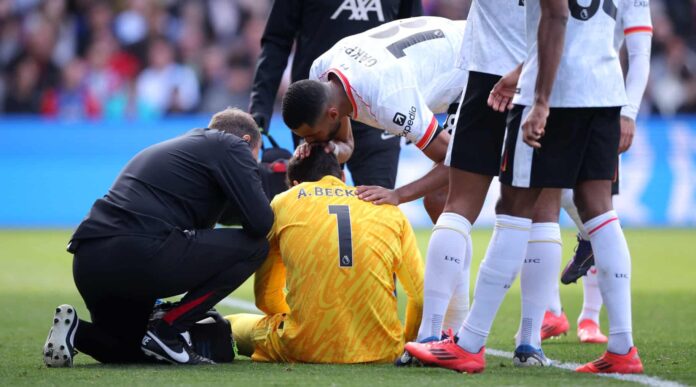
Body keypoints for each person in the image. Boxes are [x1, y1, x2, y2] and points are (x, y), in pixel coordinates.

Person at [406, 0, 644, 374]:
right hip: (605, 87)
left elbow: (556, 16)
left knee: (512, 207)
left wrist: (539, 97)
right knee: (594, 207)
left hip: (548, 85)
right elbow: (629, 32)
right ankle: (618, 346)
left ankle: (466, 342)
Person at [43, 108, 273, 367]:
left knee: (128, 348)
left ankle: (76, 331)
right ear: (245, 141)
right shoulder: (231, 145)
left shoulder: (185, 150)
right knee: (255, 247)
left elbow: (234, 212)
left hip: (89, 262)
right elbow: (260, 222)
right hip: (140, 253)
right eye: (254, 156)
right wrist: (270, 176)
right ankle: (169, 328)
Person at [225, 145, 424, 363]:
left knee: (230, 324)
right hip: (384, 351)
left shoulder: (284, 201)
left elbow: (266, 297)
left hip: (303, 348)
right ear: (342, 176)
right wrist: (406, 344)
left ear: (295, 185)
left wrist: (302, 321)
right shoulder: (388, 208)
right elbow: (421, 297)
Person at [282, 16, 468, 217]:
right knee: (437, 199)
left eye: (312, 135)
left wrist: (398, 195)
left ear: (333, 114)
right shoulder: (321, 72)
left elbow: (456, 159)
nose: (309, 142)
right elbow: (346, 144)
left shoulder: (389, 102)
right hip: (446, 46)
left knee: (440, 198)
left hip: (475, 63)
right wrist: (332, 149)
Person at [546, 0, 653, 344]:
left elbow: (640, 52)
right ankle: (551, 310)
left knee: (596, 208)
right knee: (554, 200)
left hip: (601, 101)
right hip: (555, 96)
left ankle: (589, 318)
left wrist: (629, 112)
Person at [249, 0, 422, 190]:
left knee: (376, 206)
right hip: (316, 112)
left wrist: (416, 106)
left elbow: (413, 37)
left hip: (380, 108)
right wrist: (260, 107)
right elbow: (277, 40)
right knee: (316, 203)